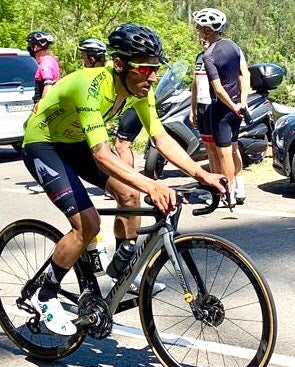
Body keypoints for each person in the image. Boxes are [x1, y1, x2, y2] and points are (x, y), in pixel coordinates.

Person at [22, 24, 226, 335]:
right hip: (43, 144)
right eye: (145, 69)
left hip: (75, 142)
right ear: (119, 65)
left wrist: (202, 174)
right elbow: (104, 155)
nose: (152, 77)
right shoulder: (90, 86)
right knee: (87, 223)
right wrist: (154, 184)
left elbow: (161, 138)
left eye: (155, 69)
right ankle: (45, 293)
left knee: (130, 195)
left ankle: (123, 269)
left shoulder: (141, 90)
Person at [193, 8, 250, 206]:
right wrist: (242, 102)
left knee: (223, 152)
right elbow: (245, 74)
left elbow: (217, 88)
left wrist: (232, 105)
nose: (197, 30)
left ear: (207, 30)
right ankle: (238, 189)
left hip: (219, 108)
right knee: (232, 149)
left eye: (199, 27)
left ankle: (228, 193)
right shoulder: (234, 47)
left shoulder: (208, 56)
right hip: (234, 107)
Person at [79, 38, 141, 173]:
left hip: (134, 105)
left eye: (83, 56)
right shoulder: (104, 69)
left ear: (92, 58)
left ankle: (127, 180)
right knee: (119, 146)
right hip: (128, 106)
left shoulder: (106, 72)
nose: (81, 60)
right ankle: (127, 180)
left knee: (121, 145)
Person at [25, 31, 61, 193]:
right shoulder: (50, 60)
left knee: (35, 144)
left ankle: (48, 178)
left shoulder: (45, 63)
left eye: (30, 45)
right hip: (52, 108)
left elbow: (48, 85)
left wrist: (40, 108)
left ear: (35, 47)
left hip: (45, 108)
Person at [190, 40, 215, 173]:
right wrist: (192, 109)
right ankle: (215, 179)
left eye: (207, 36)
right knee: (208, 146)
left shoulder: (218, 55)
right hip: (201, 105)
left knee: (221, 148)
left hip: (214, 104)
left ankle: (232, 183)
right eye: (201, 36)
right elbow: (195, 84)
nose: (203, 40)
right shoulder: (199, 57)